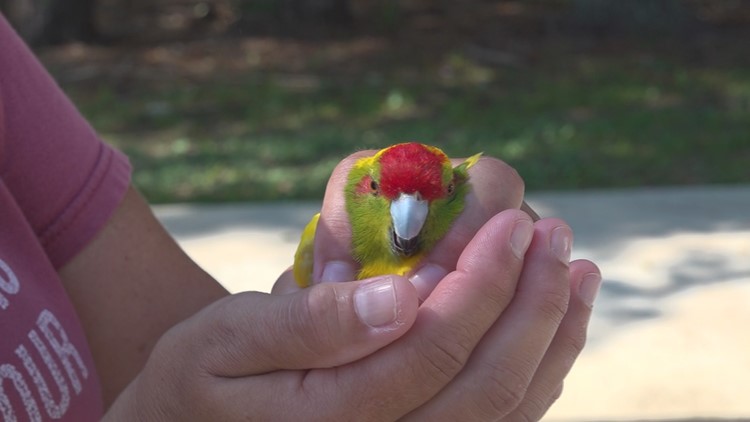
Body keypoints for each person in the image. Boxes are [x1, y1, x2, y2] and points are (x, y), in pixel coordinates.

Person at [0, 12, 601, 421]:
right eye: (384, 193)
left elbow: (173, 342)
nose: (409, 214)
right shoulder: (323, 247)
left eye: (434, 193)